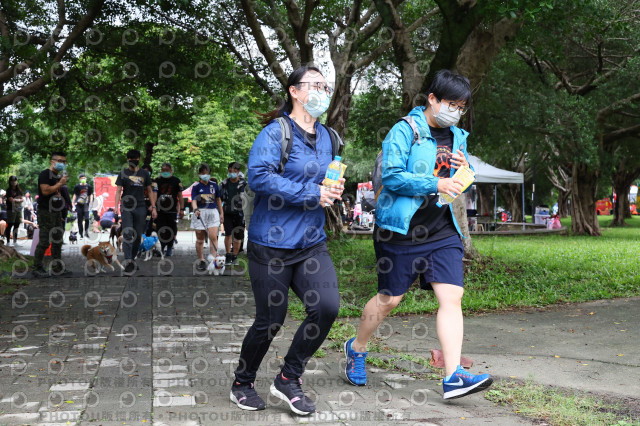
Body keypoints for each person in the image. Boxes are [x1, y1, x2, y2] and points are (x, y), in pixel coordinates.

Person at [343, 70, 492, 400]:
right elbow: (392, 177)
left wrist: (465, 171)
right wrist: (436, 183)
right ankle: (357, 347)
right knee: (389, 300)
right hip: (400, 230)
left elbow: (461, 178)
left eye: (462, 107)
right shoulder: (404, 130)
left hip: (441, 228)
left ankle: (453, 376)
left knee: (452, 297)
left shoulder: (458, 136)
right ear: (432, 99)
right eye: (451, 104)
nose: (456, 111)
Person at [230, 65, 344, 415]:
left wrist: (333, 188)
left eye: (325, 86)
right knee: (271, 319)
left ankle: (288, 378)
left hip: (311, 241)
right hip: (271, 244)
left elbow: (326, 180)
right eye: (315, 85)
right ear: (294, 91)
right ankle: (242, 383)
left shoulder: (330, 137)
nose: (322, 91)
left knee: (326, 307)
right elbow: (259, 177)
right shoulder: (275, 133)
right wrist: (311, 193)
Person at [114, 149, 157, 275]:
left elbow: (150, 191)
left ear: (139, 159)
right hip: (126, 207)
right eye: (131, 159)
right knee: (127, 233)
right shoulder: (123, 173)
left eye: (136, 159)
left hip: (141, 207)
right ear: (128, 160)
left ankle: (132, 258)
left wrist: (154, 207)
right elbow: (118, 191)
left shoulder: (144, 173)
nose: (133, 161)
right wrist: (115, 206)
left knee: (138, 235)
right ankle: (128, 261)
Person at [31, 152, 72, 277]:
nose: (62, 163)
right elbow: (45, 191)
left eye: (64, 161)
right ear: (52, 161)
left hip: (56, 212)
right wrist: (60, 183)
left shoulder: (57, 176)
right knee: (45, 240)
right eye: (59, 161)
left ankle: (57, 268)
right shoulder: (45, 174)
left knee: (58, 240)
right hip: (45, 212)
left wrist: (60, 213)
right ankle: (37, 267)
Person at [190, 163, 223, 271]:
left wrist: (221, 213)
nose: (206, 175)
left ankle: (213, 260)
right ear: (199, 174)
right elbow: (194, 200)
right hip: (200, 213)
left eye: (207, 173)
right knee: (200, 240)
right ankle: (201, 260)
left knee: (213, 237)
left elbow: (218, 200)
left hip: (213, 213)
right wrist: (195, 209)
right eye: (203, 173)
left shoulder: (214, 185)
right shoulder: (196, 187)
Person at [155, 162, 184, 256]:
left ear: (171, 171)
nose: (165, 172)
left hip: (172, 209)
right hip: (160, 210)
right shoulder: (157, 181)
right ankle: (162, 246)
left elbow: (180, 196)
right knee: (160, 228)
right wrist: (153, 207)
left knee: (171, 228)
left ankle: (170, 246)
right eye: (163, 170)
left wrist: (182, 209)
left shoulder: (176, 181)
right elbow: (153, 194)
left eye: (167, 170)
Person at [220, 162, 247, 265]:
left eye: (235, 171)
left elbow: (249, 198)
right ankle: (228, 255)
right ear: (228, 170)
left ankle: (235, 256)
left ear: (238, 171)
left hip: (240, 213)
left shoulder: (244, 184)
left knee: (238, 236)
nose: (232, 173)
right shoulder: (224, 183)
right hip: (227, 212)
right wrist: (220, 213)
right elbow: (218, 198)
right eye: (230, 171)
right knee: (227, 234)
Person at [72, 173, 94, 239]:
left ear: (86, 178)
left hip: (86, 204)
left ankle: (86, 232)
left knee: (87, 219)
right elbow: (75, 194)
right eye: (82, 178)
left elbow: (91, 194)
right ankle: (81, 233)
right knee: (80, 220)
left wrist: (91, 201)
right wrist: (73, 202)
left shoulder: (88, 186)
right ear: (79, 179)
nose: (83, 179)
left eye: (84, 178)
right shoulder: (77, 186)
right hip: (79, 204)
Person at [4, 176, 24, 245]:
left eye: (15, 180)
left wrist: (16, 200)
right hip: (11, 210)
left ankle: (15, 241)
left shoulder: (19, 190)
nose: (14, 182)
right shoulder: (8, 190)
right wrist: (18, 200)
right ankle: (8, 241)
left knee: (17, 224)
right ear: (10, 182)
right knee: (10, 224)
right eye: (12, 181)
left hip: (18, 209)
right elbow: (11, 200)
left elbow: (22, 199)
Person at [142, 164, 157, 237]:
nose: (146, 172)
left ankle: (147, 237)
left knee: (149, 222)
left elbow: (155, 194)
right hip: (140, 203)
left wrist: (152, 205)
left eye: (148, 171)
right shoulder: (138, 181)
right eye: (144, 171)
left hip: (149, 203)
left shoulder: (153, 182)